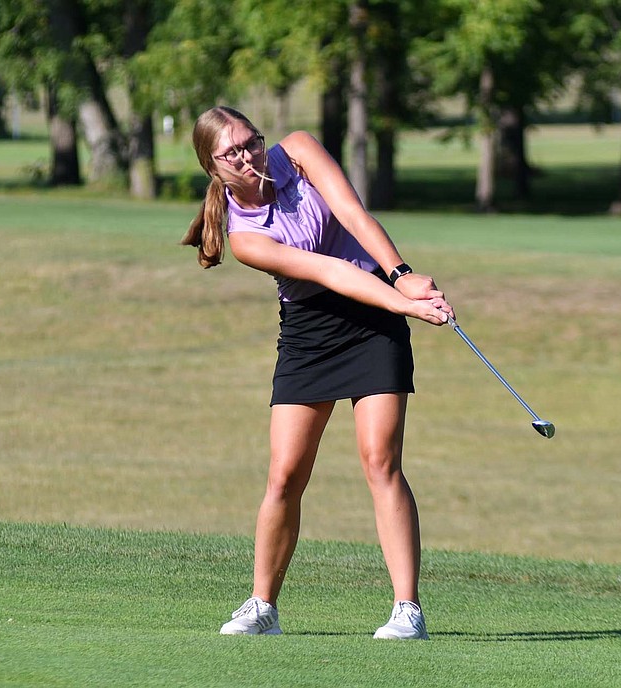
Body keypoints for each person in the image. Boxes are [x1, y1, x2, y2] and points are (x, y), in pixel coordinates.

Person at [182, 105, 452, 640]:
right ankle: (263, 606)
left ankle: (408, 610)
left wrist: (400, 275)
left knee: (381, 462)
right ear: (213, 167)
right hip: (311, 331)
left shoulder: (299, 150)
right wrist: (406, 303)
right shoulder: (245, 238)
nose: (248, 155)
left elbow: (352, 214)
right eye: (231, 152)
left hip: (374, 316)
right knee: (285, 474)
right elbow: (326, 271)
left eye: (251, 141)